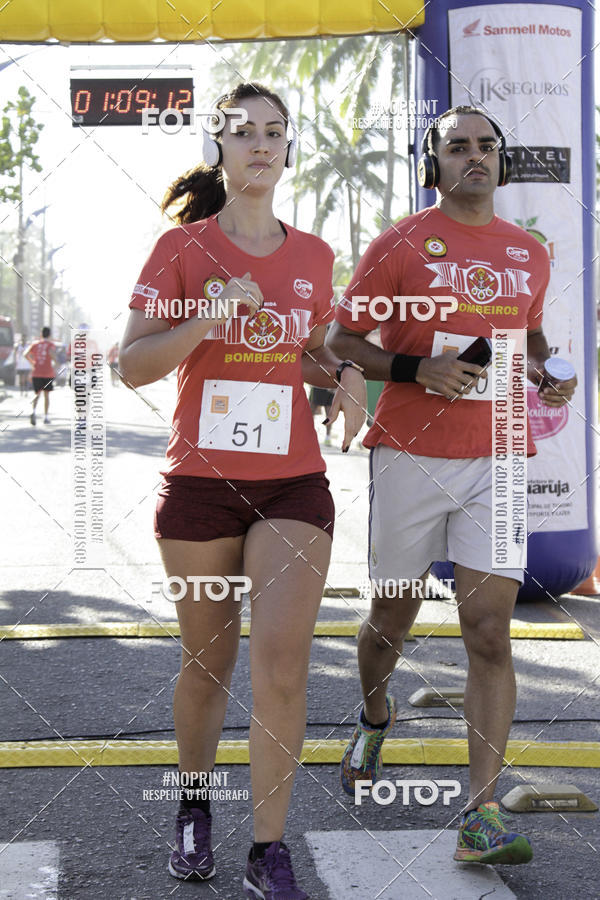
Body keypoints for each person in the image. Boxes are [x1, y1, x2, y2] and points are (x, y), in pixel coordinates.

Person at [119, 82, 366, 898]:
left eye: (274, 132)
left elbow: (300, 352)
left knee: (283, 664)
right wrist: (208, 318)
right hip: (199, 487)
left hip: (292, 484)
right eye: (244, 132)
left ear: (286, 149)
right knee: (207, 664)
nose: (260, 144)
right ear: (219, 148)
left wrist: (349, 374)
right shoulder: (181, 250)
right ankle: (194, 806)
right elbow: (133, 365)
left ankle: (269, 849)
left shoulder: (314, 255)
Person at [327, 106, 577, 866]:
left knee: (489, 632)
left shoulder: (527, 251)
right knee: (391, 620)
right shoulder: (399, 244)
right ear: (432, 163)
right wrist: (415, 369)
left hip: (500, 451)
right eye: (457, 147)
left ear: (501, 163)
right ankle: (375, 716)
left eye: (486, 147)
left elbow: (527, 333)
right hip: (409, 452)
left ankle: (482, 814)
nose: (475, 157)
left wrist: (545, 369)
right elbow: (342, 340)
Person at [25, 326, 56, 425]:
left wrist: (33, 362)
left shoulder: (35, 344)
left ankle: (33, 412)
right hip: (47, 373)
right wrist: (56, 362)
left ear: (41, 334)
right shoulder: (50, 345)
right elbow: (51, 353)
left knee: (37, 394)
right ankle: (46, 417)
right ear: (50, 335)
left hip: (36, 372)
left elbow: (25, 354)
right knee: (46, 395)